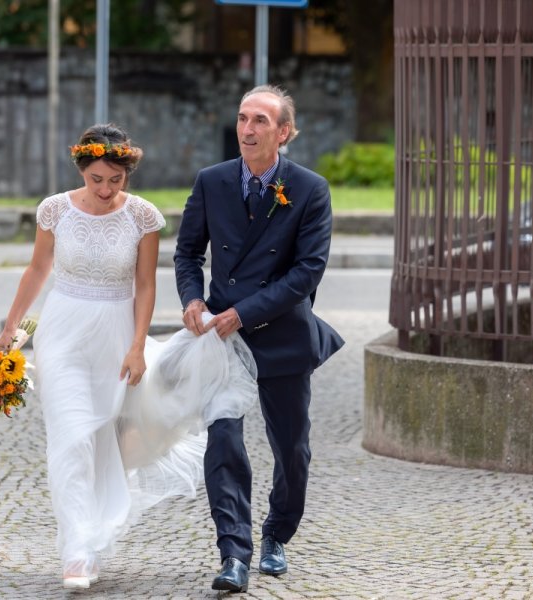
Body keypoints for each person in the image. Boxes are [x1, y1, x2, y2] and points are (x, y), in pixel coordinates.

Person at [0, 123, 259, 590]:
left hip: (117, 335)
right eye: (96, 179)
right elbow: (38, 269)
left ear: (127, 175)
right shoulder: (54, 210)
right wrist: (12, 324)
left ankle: (93, 537)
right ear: (82, 169)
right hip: (62, 332)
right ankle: (76, 548)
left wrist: (138, 346)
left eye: (115, 180)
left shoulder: (143, 217)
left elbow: (145, 285)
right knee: (71, 436)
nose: (105, 189)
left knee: (103, 438)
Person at [174, 84, 345, 593]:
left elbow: (307, 272)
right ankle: (234, 553)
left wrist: (242, 313)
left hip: (283, 334)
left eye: (261, 121)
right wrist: (192, 300)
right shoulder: (211, 181)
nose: (247, 129)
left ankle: (276, 535)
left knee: (291, 448)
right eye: (243, 119)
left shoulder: (310, 189)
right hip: (223, 341)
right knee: (223, 441)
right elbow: (187, 254)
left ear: (284, 132)